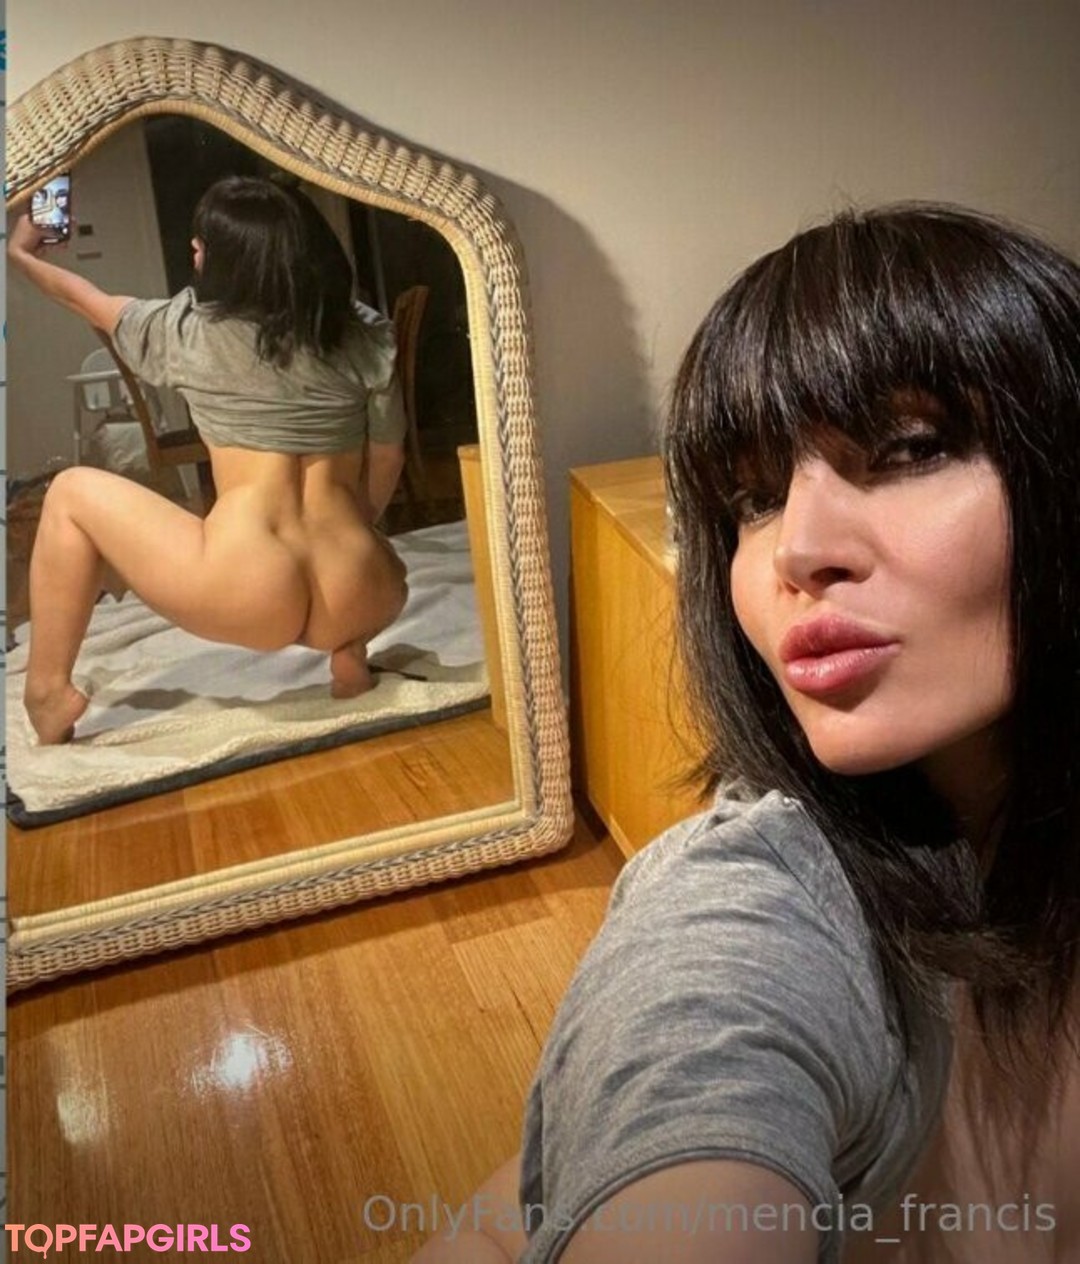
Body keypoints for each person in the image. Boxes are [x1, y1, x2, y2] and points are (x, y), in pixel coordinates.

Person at [413, 204, 1080, 1262]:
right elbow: (701, 1033)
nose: (796, 548)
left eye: (908, 448)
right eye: (754, 498)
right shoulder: (757, 899)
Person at [8, 175, 409, 745]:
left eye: (203, 243)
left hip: (247, 586)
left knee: (70, 491)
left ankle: (48, 692)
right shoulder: (366, 334)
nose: (194, 250)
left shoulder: (187, 332)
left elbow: (81, 298)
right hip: (365, 589)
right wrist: (358, 532)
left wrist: (22, 253)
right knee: (355, 546)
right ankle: (347, 646)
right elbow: (388, 455)